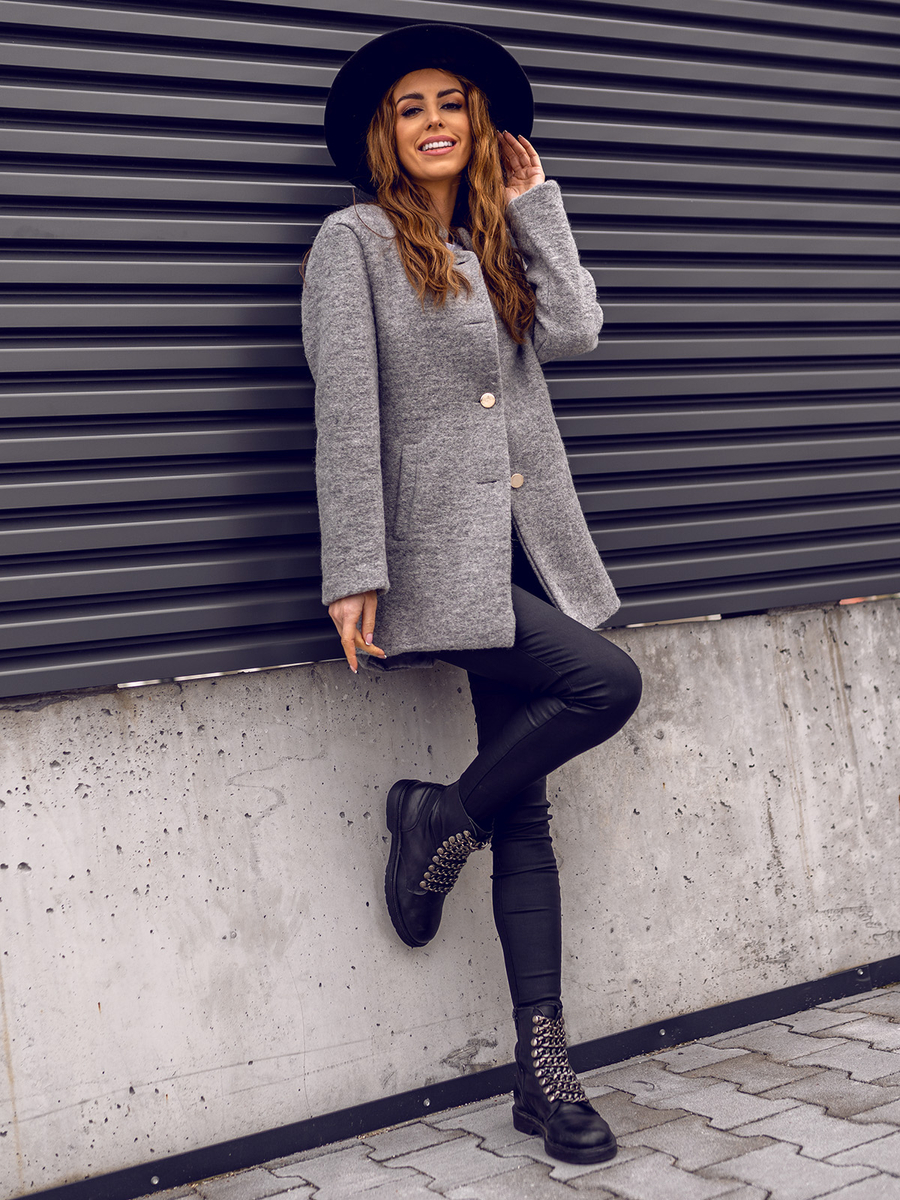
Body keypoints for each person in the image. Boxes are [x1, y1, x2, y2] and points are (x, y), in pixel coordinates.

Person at [302, 23, 642, 1166]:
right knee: (605, 685)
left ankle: (543, 1077)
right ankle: (440, 816)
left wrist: (538, 208)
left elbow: (579, 333)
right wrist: (355, 568)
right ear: (384, 135)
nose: (436, 119)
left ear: (481, 123)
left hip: (529, 548)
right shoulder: (353, 241)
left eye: (453, 102)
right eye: (412, 107)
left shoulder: (497, 242)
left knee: (525, 810)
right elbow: (345, 411)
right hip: (440, 556)